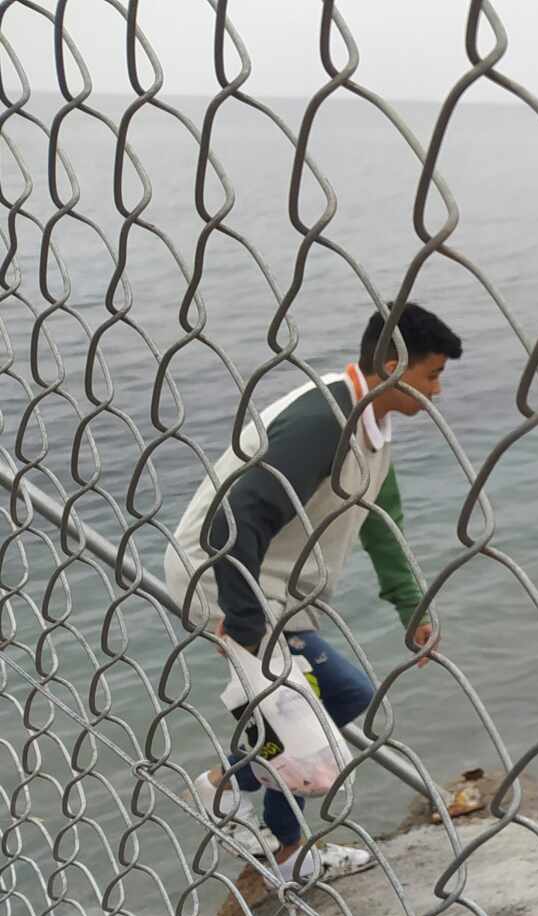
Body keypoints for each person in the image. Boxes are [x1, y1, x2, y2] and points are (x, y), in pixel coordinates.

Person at [165, 302, 462, 884]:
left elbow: (381, 520)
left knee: (330, 703)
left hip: (272, 589)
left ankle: (230, 791)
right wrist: (246, 624)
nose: (438, 393)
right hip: (229, 577)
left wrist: (411, 606)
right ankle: (285, 849)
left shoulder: (372, 425)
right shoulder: (325, 419)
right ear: (392, 366)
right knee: (313, 708)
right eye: (431, 375)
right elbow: (237, 516)